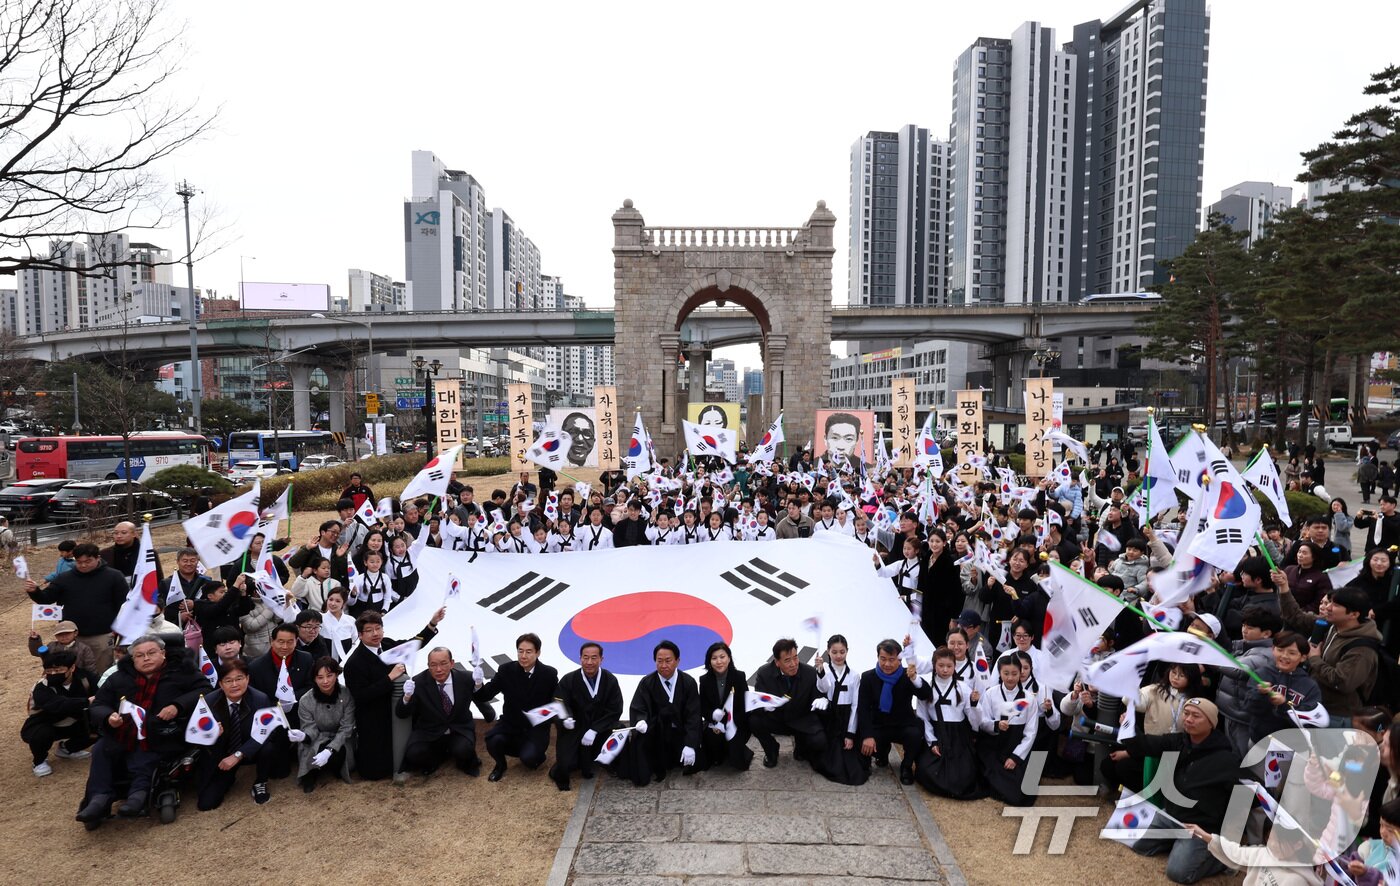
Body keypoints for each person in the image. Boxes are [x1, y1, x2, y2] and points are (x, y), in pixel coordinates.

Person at [1109, 698, 1243, 884]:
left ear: (1211, 723)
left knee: (1178, 873)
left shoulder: (1227, 759)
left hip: (1200, 827)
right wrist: (1129, 727)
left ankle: (1225, 858)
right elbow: (1146, 744)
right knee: (1132, 839)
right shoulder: (1178, 741)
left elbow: (1248, 795)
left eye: (1196, 716)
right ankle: (1178, 845)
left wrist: (1222, 835)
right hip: (1172, 816)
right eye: (1186, 714)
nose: (1188, 719)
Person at [77, 635, 205, 825]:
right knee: (100, 749)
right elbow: (99, 704)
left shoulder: (182, 672)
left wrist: (177, 706)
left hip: (163, 730)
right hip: (123, 729)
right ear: (132, 659)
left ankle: (138, 793)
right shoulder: (118, 678)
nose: (146, 658)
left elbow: (205, 690)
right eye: (140, 655)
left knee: (147, 744)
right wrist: (108, 716)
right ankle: (99, 797)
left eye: (151, 653)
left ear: (163, 653)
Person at [342, 608, 443, 781]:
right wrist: (389, 678)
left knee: (407, 748)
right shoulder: (354, 663)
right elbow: (361, 695)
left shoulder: (387, 644)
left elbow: (413, 644)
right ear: (359, 635)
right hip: (372, 717)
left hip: (398, 708)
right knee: (373, 772)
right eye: (369, 630)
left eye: (378, 628)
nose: (375, 633)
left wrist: (432, 623)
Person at [1281, 586, 1381, 726]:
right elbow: (1296, 617)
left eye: (1336, 605)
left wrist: (1315, 659)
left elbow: (1343, 682)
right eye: (1329, 602)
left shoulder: (1361, 648)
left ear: (1354, 614)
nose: (1328, 608)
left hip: (1336, 716)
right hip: (1315, 706)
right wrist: (1283, 587)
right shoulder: (1332, 626)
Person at [24, 542, 129, 673]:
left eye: (88, 561)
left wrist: (119, 629)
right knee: (71, 672)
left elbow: (125, 605)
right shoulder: (64, 578)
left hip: (102, 635)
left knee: (101, 671)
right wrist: (35, 591)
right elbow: (46, 598)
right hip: (71, 636)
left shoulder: (114, 576)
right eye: (79, 562)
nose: (83, 565)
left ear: (98, 558)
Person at [195, 658, 283, 810]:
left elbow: (268, 732)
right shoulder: (208, 701)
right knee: (206, 803)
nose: (235, 685)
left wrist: (238, 755)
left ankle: (260, 782)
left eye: (239, 678)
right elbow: (196, 736)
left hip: (250, 749)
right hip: (223, 752)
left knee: (267, 747)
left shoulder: (260, 699)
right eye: (228, 681)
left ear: (247, 679)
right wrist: (210, 735)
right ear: (221, 684)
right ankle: (226, 778)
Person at [473, 632, 558, 782]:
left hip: (536, 727)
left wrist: (540, 717)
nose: (523, 656)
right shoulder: (506, 670)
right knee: (493, 741)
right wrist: (478, 683)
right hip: (510, 724)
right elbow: (485, 695)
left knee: (530, 760)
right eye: (520, 651)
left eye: (528, 652)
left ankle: (535, 753)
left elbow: (555, 704)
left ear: (538, 652)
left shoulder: (549, 674)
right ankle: (500, 765)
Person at [620, 640, 702, 786]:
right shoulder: (647, 682)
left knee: (693, 755)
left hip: (680, 732)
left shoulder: (688, 682)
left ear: (677, 661)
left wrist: (690, 744)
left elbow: (693, 715)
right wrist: (641, 720)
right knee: (639, 744)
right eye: (659, 661)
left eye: (668, 661)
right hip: (656, 734)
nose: (664, 665)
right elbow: (639, 707)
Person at [855, 638, 933, 785]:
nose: (887, 664)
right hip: (879, 724)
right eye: (883, 659)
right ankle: (881, 754)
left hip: (903, 724)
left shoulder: (907, 675)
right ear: (877, 657)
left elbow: (926, 694)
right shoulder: (867, 677)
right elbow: (863, 709)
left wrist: (915, 678)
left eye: (892, 660)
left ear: (900, 659)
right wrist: (867, 736)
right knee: (862, 738)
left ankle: (906, 766)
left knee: (916, 733)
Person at [397, 646, 481, 779]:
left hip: (458, 728)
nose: (439, 669)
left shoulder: (466, 678)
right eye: (433, 665)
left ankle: (460, 760)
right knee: (414, 753)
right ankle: (436, 760)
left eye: (443, 664)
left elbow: (482, 697)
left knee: (463, 750)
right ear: (428, 666)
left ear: (452, 663)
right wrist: (406, 697)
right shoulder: (417, 682)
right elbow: (401, 713)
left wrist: (478, 685)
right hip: (429, 730)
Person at [749, 638, 829, 775]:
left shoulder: (810, 673)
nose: (793, 664)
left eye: (795, 658)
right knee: (753, 720)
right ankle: (772, 750)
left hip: (801, 719)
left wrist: (822, 699)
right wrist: (765, 706)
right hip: (777, 718)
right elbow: (758, 699)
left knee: (818, 742)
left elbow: (816, 697)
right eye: (787, 660)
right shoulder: (764, 673)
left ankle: (801, 747)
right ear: (777, 662)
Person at [550, 642, 623, 791]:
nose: (589, 662)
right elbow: (559, 703)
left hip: (601, 728)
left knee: (620, 733)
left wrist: (595, 729)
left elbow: (615, 710)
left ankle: (608, 761)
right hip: (576, 728)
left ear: (601, 659)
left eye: (594, 658)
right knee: (566, 765)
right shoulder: (568, 680)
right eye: (586, 657)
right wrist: (566, 718)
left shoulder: (610, 680)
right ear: (580, 658)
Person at [913, 646, 982, 798]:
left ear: (954, 666)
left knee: (964, 775)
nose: (945, 670)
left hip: (958, 736)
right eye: (941, 666)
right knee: (926, 770)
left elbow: (975, 719)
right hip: (935, 733)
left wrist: (975, 704)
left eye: (949, 666)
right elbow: (922, 716)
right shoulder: (927, 687)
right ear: (934, 665)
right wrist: (932, 741)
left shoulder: (963, 688)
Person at [248, 624, 314, 778]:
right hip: (273, 715)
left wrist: (291, 698)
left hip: (300, 711)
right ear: (272, 641)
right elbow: (255, 696)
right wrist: (277, 705)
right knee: (279, 772)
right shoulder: (256, 666)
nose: (285, 646)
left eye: (290, 642)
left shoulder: (306, 658)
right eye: (280, 641)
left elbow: (310, 686)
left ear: (296, 641)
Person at [975, 654, 1039, 806]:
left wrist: (1015, 757)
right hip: (995, 745)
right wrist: (996, 725)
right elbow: (983, 721)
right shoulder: (991, 693)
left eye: (1015, 674)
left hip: (1019, 747)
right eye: (1006, 673)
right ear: (999, 673)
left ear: (1020, 673)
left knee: (1027, 793)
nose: (1010, 678)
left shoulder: (1029, 698)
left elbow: (1031, 732)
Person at [23, 648, 98, 777]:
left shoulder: (85, 678)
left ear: (72, 668)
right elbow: (58, 705)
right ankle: (39, 761)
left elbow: (101, 689)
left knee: (101, 725)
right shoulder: (42, 686)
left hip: (75, 720)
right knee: (41, 734)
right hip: (45, 722)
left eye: (58, 670)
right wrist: (87, 701)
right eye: (49, 671)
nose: (53, 674)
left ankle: (67, 749)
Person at [296, 657, 355, 793]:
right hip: (317, 737)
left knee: (337, 755)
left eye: (330, 675)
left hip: (340, 737)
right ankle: (311, 774)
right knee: (313, 751)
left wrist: (330, 750)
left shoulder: (346, 694)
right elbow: (310, 728)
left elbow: (347, 727)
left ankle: (334, 767)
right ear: (314, 679)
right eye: (320, 677)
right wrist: (303, 736)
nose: (325, 681)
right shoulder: (306, 700)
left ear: (337, 674)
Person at [696, 641, 752, 773]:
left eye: (722, 657)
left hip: (735, 722)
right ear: (709, 661)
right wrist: (713, 718)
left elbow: (744, 706)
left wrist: (729, 724)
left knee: (738, 760)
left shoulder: (739, 676)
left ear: (729, 658)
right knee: (712, 745)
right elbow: (703, 707)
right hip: (714, 724)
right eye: (714, 658)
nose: (719, 661)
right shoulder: (704, 680)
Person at [27, 619, 98, 674]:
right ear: (55, 636)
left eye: (67, 633)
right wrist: (35, 639)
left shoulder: (83, 648)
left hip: (77, 678)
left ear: (75, 633)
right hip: (53, 675)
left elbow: (90, 667)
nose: (63, 636)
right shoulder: (51, 646)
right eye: (60, 634)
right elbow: (36, 652)